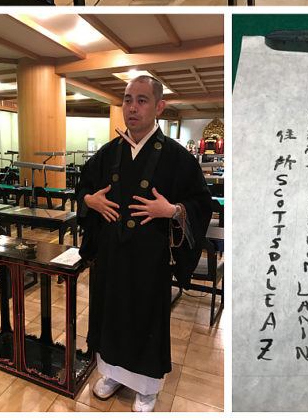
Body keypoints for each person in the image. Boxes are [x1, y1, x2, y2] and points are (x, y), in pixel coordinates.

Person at [77, 75, 212, 411]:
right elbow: (84, 190)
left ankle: (147, 387)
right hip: (111, 254)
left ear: (159, 107)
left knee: (145, 319)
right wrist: (90, 202)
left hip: (149, 258)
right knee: (110, 315)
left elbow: (202, 203)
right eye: (127, 100)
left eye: (141, 100)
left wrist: (173, 210)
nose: (132, 107)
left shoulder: (177, 157)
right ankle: (111, 373)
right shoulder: (108, 153)